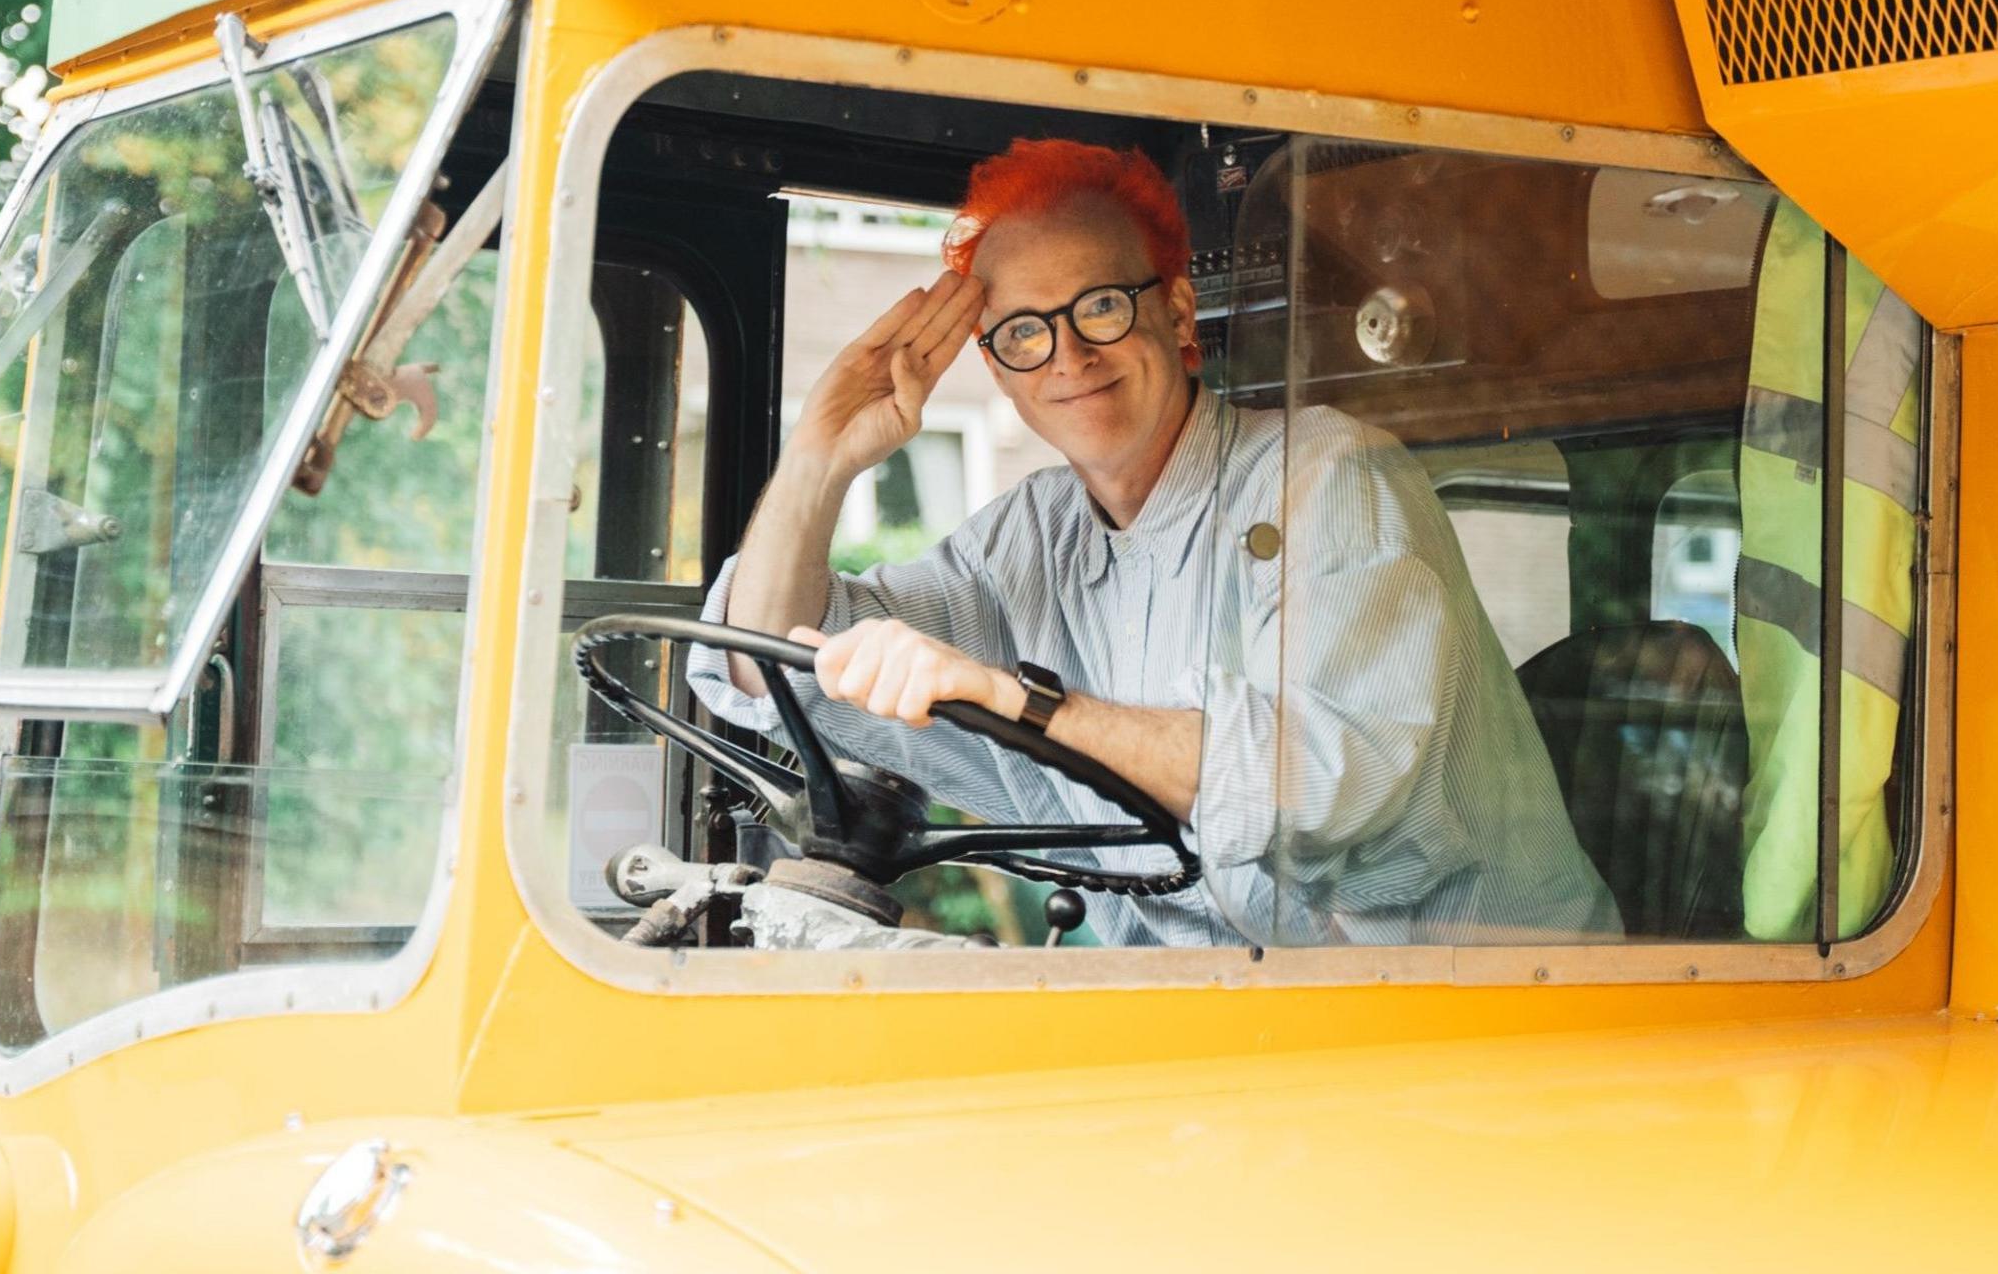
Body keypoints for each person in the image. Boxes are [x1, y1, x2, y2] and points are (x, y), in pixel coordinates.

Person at [685, 138, 1616, 946]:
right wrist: (818, 459)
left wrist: (1014, 700)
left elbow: (1322, 787)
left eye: (1099, 307)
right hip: (1219, 1018)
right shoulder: (1031, 536)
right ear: (999, 371)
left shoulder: (1329, 478)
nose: (1068, 356)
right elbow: (772, 668)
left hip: (1476, 1016)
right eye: (1022, 332)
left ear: (1175, 317)